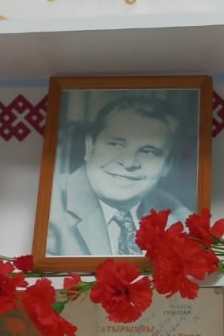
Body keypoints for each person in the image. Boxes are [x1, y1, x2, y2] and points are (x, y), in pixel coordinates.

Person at [46, 93, 194, 257]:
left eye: (148, 151)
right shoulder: (48, 206)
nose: (129, 162)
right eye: (115, 144)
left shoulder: (177, 216)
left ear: (168, 165)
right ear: (90, 147)